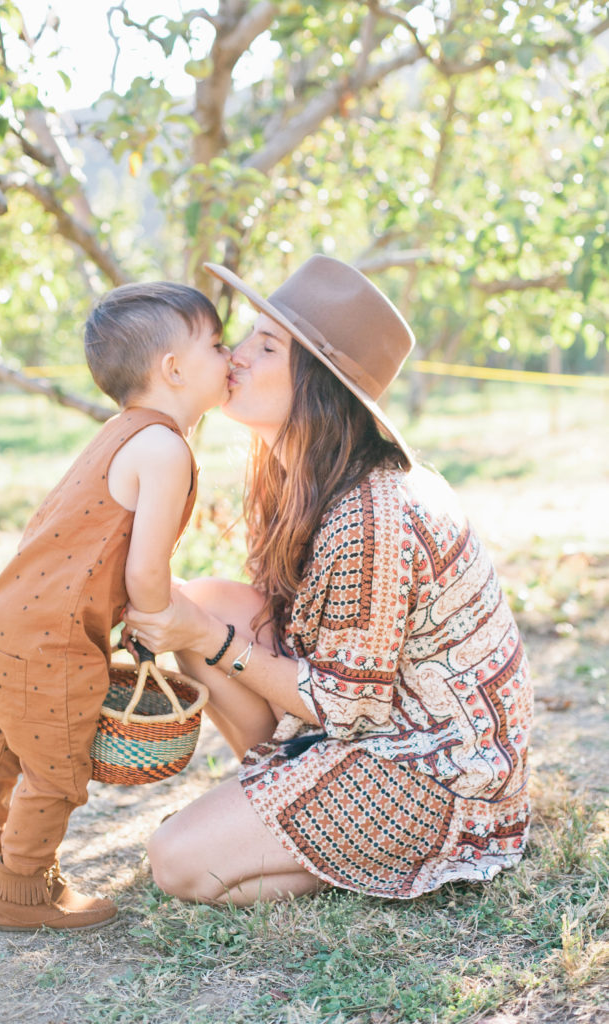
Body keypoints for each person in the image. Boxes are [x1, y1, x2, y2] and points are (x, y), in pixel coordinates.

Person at [124, 255, 534, 907]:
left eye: (265, 347)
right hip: (370, 717)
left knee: (178, 865)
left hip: (433, 768)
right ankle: (285, 797)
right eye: (245, 337)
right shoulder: (297, 474)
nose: (235, 356)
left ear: (318, 383)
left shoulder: (375, 512)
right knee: (206, 600)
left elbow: (349, 706)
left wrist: (200, 633)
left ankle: (337, 841)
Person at [0, 282, 230, 930]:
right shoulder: (165, 449)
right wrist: (155, 623)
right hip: (53, 640)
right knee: (55, 771)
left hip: (4, 621)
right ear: (174, 369)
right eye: (217, 344)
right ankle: (23, 893)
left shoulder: (122, 431)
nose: (230, 355)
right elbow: (147, 568)